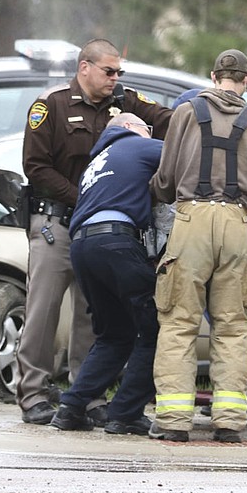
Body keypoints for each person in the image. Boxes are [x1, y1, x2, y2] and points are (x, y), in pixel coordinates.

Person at [17, 39, 172, 425]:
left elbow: (169, 120)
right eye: (108, 71)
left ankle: (86, 395)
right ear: (84, 67)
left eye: (119, 72)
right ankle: (33, 392)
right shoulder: (50, 105)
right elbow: (35, 167)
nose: (115, 78)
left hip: (98, 228)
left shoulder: (124, 102)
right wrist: (84, 198)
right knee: (43, 310)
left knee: (94, 315)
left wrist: (204, 111)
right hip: (56, 222)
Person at [148, 49, 247, 443]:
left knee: (179, 322)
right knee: (234, 326)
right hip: (237, 225)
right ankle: (230, 421)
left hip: (192, 220)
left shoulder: (186, 112)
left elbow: (165, 180)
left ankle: (173, 421)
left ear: (214, 76)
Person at [50, 113, 163, 435]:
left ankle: (71, 408)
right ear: (129, 127)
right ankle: (125, 413)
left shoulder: (97, 162)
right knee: (156, 327)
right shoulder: (136, 146)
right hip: (116, 241)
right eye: (147, 129)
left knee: (115, 334)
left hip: (83, 247)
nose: (150, 135)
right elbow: (186, 154)